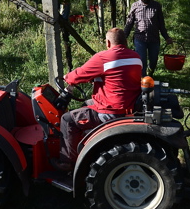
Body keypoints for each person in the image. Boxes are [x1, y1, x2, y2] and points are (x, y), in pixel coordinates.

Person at [54, 28, 142, 171]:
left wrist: (66, 77)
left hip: (112, 110)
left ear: (108, 42)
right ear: (125, 41)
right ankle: (85, 142)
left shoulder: (104, 57)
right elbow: (120, 76)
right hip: (129, 105)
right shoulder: (136, 57)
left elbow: (77, 75)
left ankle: (67, 163)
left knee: (67, 119)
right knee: (86, 104)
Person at [124, 0, 173, 76]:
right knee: (142, 60)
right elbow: (129, 23)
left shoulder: (156, 6)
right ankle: (143, 81)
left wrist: (166, 37)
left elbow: (161, 24)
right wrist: (123, 37)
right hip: (140, 38)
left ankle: (150, 74)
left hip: (154, 38)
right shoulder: (135, 6)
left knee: (153, 60)